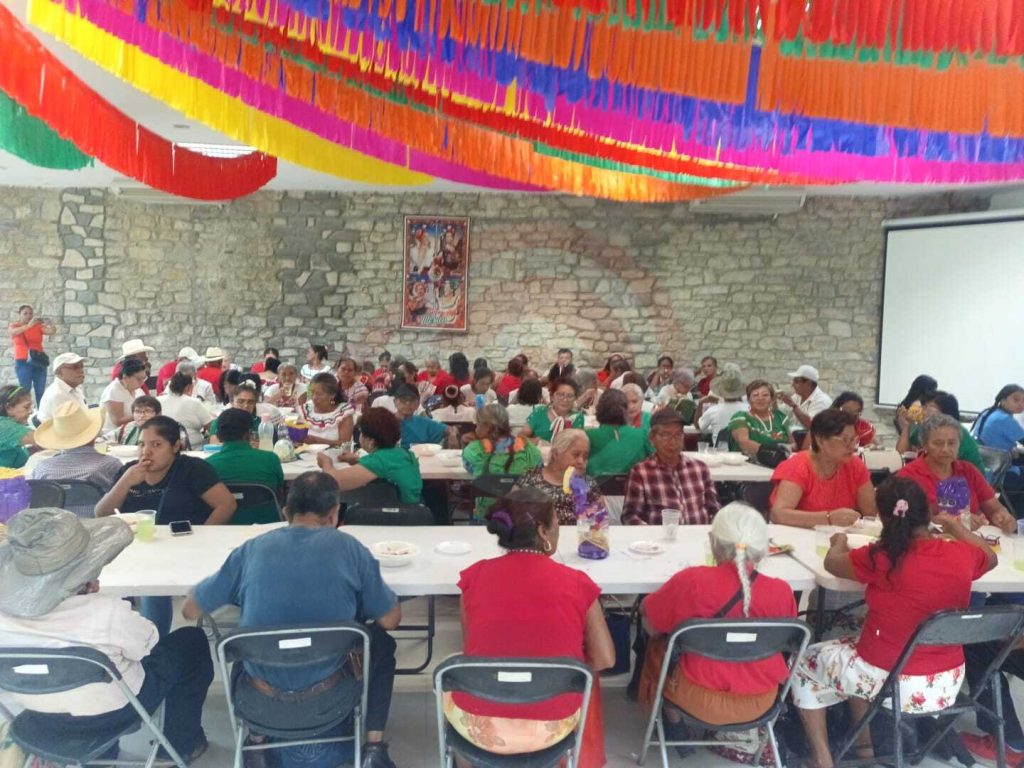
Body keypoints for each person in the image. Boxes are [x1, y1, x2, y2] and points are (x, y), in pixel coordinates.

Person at [181, 472, 401, 768]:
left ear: (286, 513)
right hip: (331, 698)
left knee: (241, 647)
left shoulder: (251, 549)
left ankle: (257, 743)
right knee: (381, 643)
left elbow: (190, 610)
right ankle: (374, 749)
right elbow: (389, 620)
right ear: (334, 514)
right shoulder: (350, 548)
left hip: (258, 703)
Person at [791, 477, 996, 768]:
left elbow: (831, 564)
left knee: (805, 662)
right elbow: (990, 557)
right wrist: (954, 526)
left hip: (892, 682)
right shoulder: (960, 554)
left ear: (884, 517)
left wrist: (838, 542)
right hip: (946, 683)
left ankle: (823, 759)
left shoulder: (881, 557)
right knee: (858, 651)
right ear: (928, 513)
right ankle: (864, 745)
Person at [0, 508, 212, 763]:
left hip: (38, 711)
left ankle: (102, 755)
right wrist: (90, 599)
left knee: (95, 669)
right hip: (116, 712)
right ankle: (180, 745)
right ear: (85, 569)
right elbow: (148, 644)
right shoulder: (105, 613)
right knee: (191, 641)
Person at [448, 489, 614, 757]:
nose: (559, 530)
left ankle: (468, 760)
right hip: (553, 726)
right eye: (557, 523)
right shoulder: (577, 583)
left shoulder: (474, 577)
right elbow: (605, 659)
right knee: (582, 674)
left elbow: (473, 650)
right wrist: (560, 672)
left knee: (455, 670)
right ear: (542, 531)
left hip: (481, 724)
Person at [641, 503, 797, 753]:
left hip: (695, 698)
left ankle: (674, 723)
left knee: (658, 640)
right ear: (762, 550)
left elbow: (651, 620)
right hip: (761, 701)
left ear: (714, 543)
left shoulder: (692, 581)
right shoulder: (782, 591)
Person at [95, 415, 237, 636]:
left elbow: (226, 504)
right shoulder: (130, 471)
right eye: (142, 444)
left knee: (150, 586)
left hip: (183, 549)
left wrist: (203, 537)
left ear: (176, 446)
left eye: (156, 445)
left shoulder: (192, 469)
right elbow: (101, 513)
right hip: (136, 549)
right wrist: (125, 482)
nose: (146, 452)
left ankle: (153, 643)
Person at [898, 413, 1016, 533]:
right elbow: (902, 520)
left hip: (974, 539)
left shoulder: (968, 471)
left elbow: (995, 508)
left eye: (952, 443)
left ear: (959, 444)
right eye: (938, 443)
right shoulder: (908, 476)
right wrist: (952, 522)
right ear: (924, 445)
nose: (945, 449)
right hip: (931, 541)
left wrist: (1003, 517)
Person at [770, 410, 878, 529]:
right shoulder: (798, 467)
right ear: (820, 441)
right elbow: (778, 514)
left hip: (840, 536)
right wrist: (828, 518)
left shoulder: (855, 465)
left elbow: (871, 513)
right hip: (798, 535)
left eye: (854, 440)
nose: (852, 446)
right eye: (845, 440)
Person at [622, 410, 720, 525]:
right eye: (665, 435)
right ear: (652, 438)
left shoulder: (700, 469)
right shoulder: (641, 472)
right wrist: (650, 533)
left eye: (678, 434)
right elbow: (629, 516)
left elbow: (715, 509)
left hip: (699, 534)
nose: (673, 441)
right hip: (659, 535)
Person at [317, 407, 423, 505]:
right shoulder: (404, 453)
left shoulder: (379, 460)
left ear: (371, 441)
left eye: (361, 433)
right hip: (412, 511)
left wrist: (326, 461)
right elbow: (385, 468)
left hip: (393, 515)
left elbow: (333, 482)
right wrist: (358, 460)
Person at [30, 401, 124, 508]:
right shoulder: (110, 464)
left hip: (54, 518)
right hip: (99, 517)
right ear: (95, 434)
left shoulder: (42, 468)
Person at [205, 407, 285, 525]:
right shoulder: (270, 458)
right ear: (249, 433)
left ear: (218, 435)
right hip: (268, 523)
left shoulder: (208, 465)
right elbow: (280, 488)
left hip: (223, 525)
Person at [462, 404, 543, 520]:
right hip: (521, 517)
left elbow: (471, 469)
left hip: (486, 518)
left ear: (487, 426)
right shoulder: (529, 449)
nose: (476, 428)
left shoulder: (474, 450)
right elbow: (538, 471)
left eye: (478, 424)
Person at [514, 429, 603, 525]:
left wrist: (580, 491)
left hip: (576, 534)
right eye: (576, 455)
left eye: (585, 457)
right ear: (556, 454)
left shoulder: (588, 483)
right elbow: (512, 514)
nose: (581, 461)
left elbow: (598, 525)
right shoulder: (530, 478)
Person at [895, 391, 985, 472]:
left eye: (928, 407)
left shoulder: (956, 433)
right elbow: (902, 454)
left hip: (966, 479)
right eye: (923, 406)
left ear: (945, 413)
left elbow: (943, 465)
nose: (923, 411)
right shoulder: (925, 427)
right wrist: (906, 427)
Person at [971, 384, 1024, 497]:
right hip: (998, 473)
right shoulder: (1005, 419)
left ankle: (1007, 504)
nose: (1021, 404)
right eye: (1016, 400)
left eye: (1023, 401)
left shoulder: (987, 412)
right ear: (1003, 400)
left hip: (982, 468)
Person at [586, 389, 652, 476]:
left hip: (596, 483)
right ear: (625, 411)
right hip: (634, 482)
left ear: (599, 409)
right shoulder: (642, 434)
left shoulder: (587, 436)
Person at [8, 304, 56, 405]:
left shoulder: (37, 326)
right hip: (23, 362)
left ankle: (41, 413)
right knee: (25, 390)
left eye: (30, 313)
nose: (28, 316)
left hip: (38, 361)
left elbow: (51, 331)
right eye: (25, 313)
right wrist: (28, 326)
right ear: (19, 314)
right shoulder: (15, 326)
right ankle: (25, 412)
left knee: (40, 390)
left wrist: (50, 323)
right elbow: (13, 332)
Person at [729, 380, 791, 456]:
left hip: (782, 460)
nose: (760, 398)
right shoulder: (741, 417)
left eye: (765, 395)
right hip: (748, 462)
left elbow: (794, 444)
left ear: (771, 399)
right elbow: (745, 444)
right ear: (748, 399)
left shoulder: (780, 417)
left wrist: (789, 448)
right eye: (755, 395)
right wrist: (776, 450)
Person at [520, 378, 584, 443]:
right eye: (561, 395)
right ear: (552, 396)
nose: (565, 399)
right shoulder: (540, 412)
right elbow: (520, 438)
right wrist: (537, 441)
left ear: (575, 398)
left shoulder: (577, 417)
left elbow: (577, 444)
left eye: (570, 396)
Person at [157, 372, 212, 449]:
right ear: (188, 387)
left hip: (163, 446)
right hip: (193, 447)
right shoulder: (194, 402)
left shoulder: (157, 401)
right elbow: (210, 427)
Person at [300, 372, 355, 447]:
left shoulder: (343, 412)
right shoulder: (307, 409)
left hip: (334, 453)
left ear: (332, 395)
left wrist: (316, 441)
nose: (314, 397)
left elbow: (345, 444)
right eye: (312, 392)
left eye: (319, 394)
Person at [696, 364, 747, 444]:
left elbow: (699, 426)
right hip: (744, 449)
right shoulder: (749, 410)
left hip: (721, 450)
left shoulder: (713, 410)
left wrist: (700, 403)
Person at [393, 384, 450, 448]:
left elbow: (450, 430)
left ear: (418, 404)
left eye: (412, 400)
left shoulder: (424, 423)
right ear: (395, 402)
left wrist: (452, 435)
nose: (408, 403)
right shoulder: (386, 422)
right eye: (403, 399)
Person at [37, 352, 88, 424]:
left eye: (81, 366)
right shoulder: (57, 395)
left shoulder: (76, 387)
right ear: (59, 372)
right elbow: (70, 426)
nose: (81, 370)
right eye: (75, 367)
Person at [779, 364, 833, 430]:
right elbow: (781, 412)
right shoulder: (797, 396)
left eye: (796, 382)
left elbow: (812, 425)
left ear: (808, 384)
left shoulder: (822, 401)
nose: (792, 385)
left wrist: (793, 406)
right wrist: (773, 401)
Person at [100, 358, 147, 432]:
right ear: (125, 377)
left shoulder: (138, 390)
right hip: (114, 433)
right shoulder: (113, 391)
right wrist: (143, 415)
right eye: (138, 379)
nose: (142, 382)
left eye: (144, 378)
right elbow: (118, 421)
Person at [0, 384, 36, 468]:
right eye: (26, 407)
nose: (31, 411)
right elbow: (40, 438)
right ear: (9, 408)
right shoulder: (4, 426)